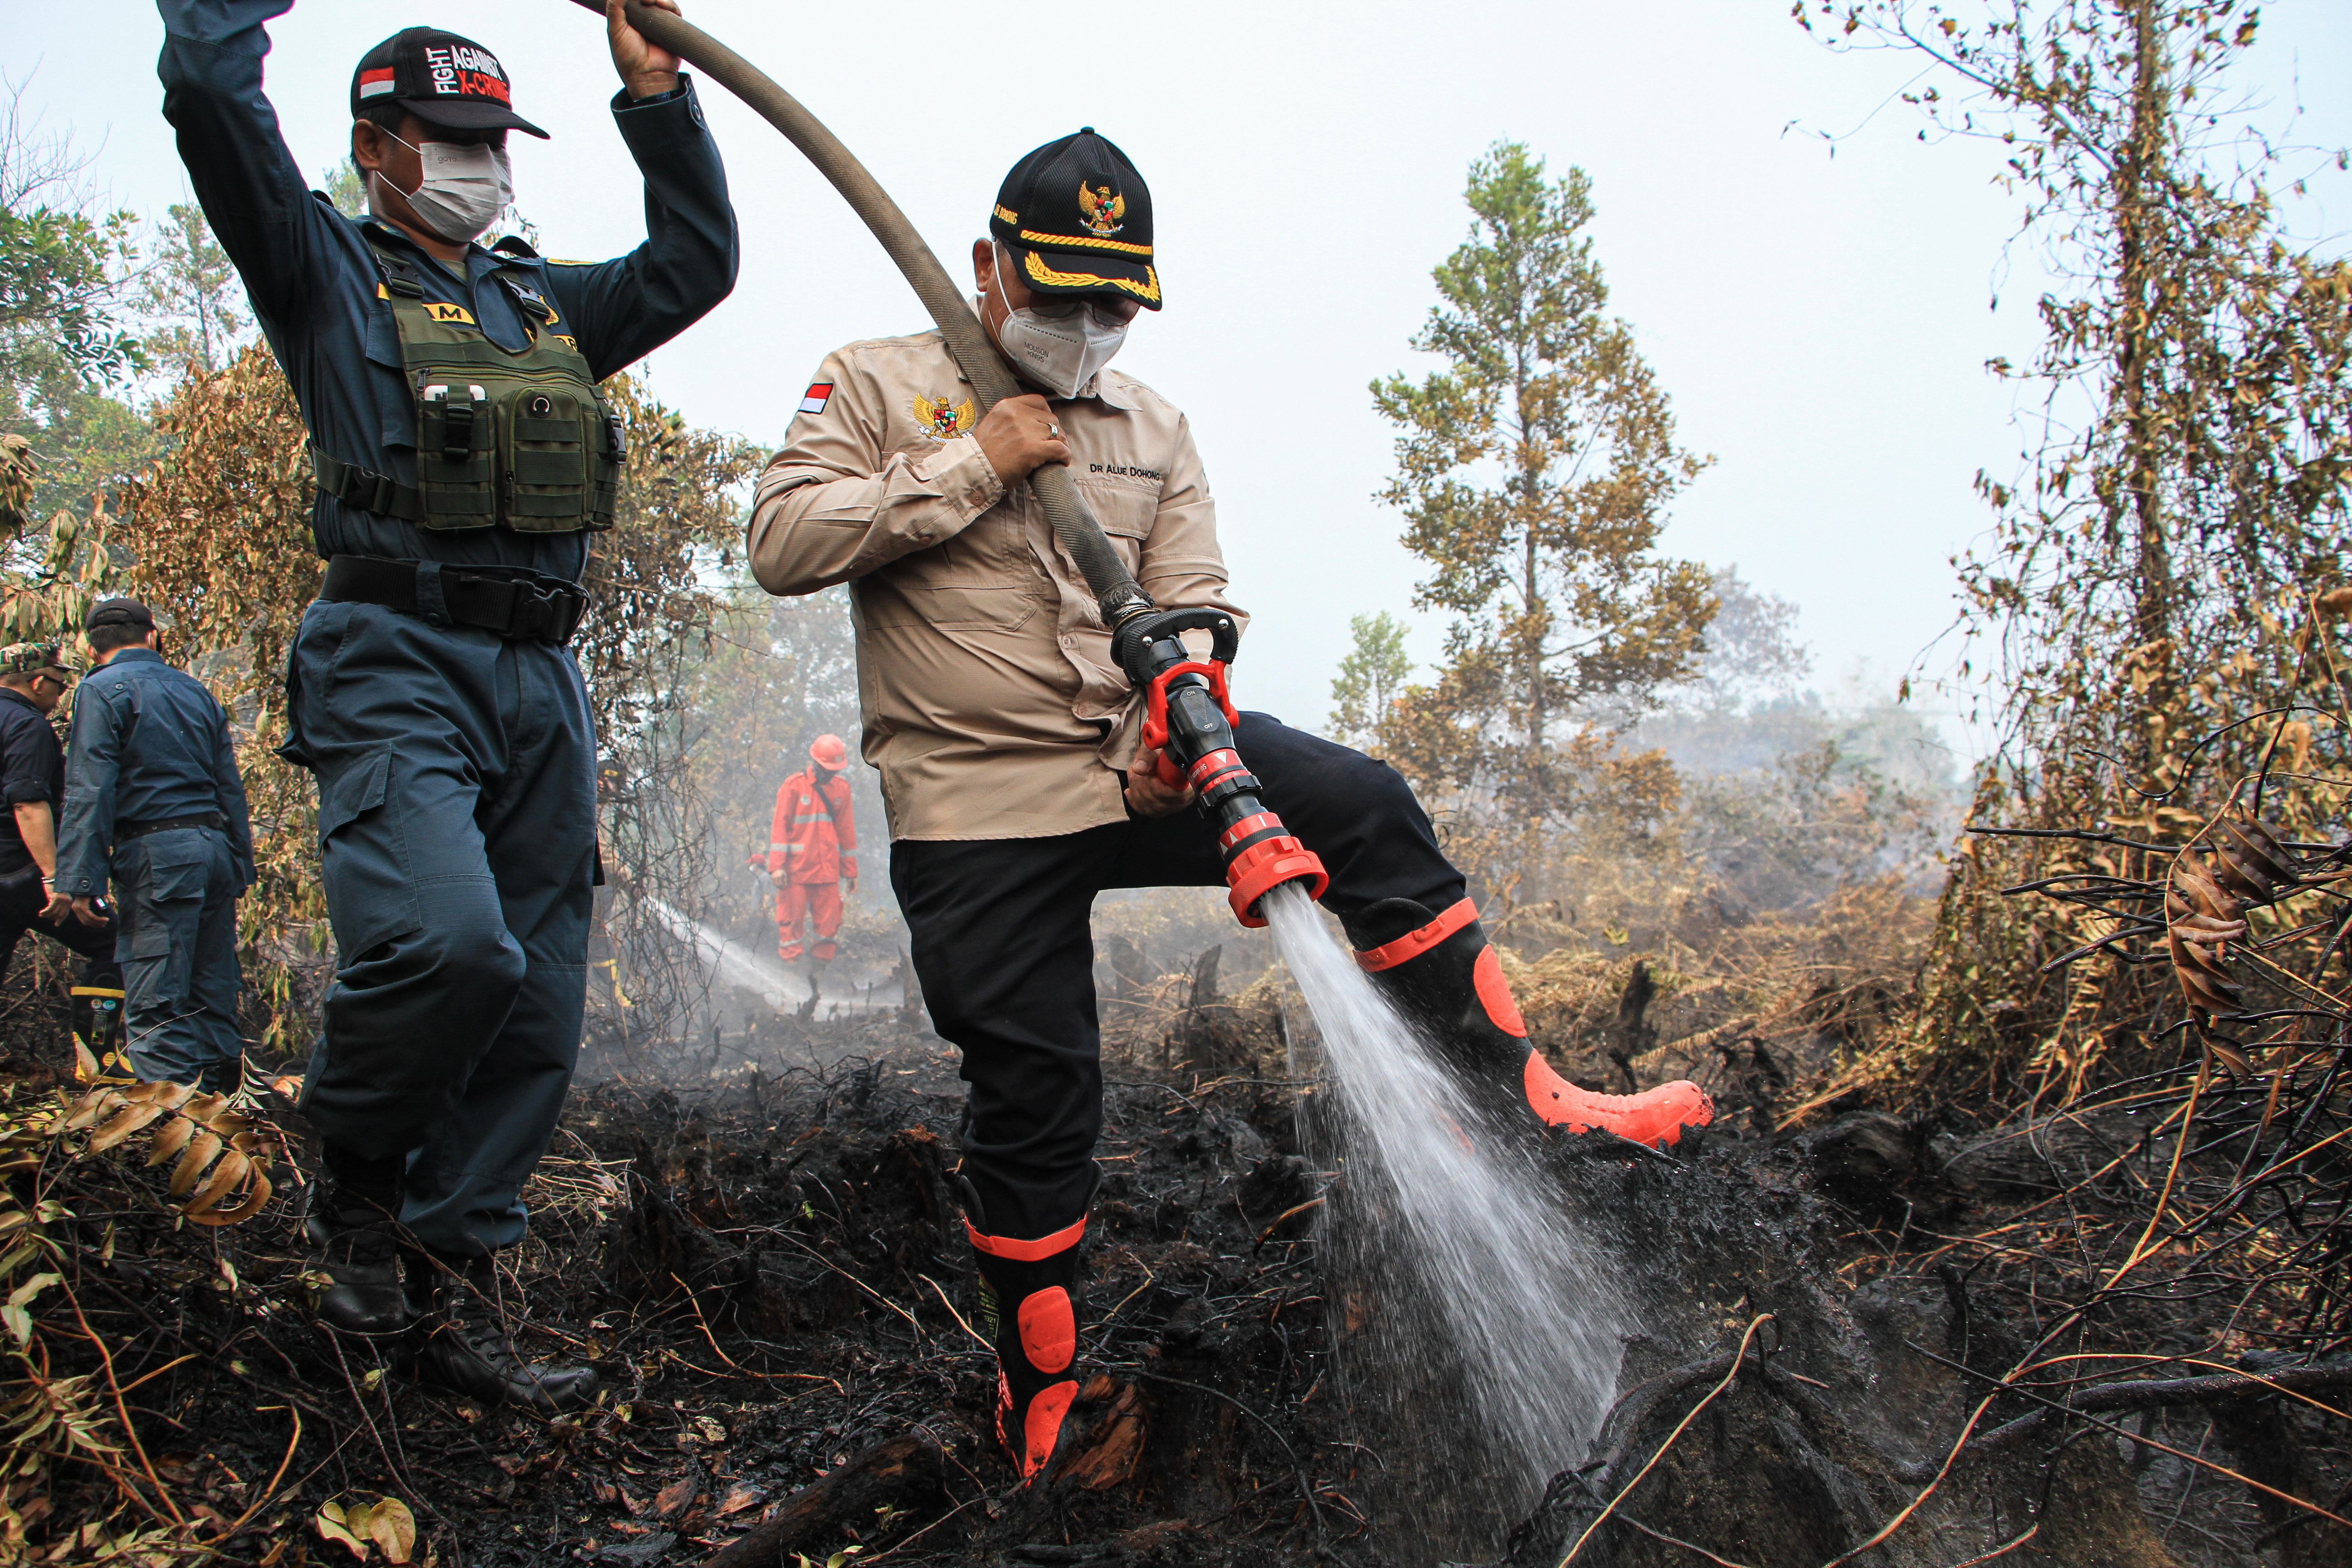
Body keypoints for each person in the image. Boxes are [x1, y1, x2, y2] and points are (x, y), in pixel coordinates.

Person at [746, 129, 1715, 1480]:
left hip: (1135, 756)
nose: (1087, 332)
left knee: (1364, 807)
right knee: (1037, 1089)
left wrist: (1180, 721)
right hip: (977, 801)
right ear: (987, 267)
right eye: (1060, 297)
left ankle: (1522, 1099)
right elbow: (782, 541)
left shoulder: (1152, 425)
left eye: (1113, 305)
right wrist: (975, 462)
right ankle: (1045, 1391)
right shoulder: (873, 383)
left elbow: (1195, 596)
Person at [157, 0, 739, 1408]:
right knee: (451, 948)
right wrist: (222, 19)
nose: (485, 163)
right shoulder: (322, 272)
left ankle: (444, 1295)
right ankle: (352, 1174)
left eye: (498, 141)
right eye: (456, 138)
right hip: (394, 657)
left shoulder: (545, 304)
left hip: (544, 682)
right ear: (378, 145)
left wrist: (659, 101)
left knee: (536, 1009)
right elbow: (209, 103)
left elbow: (695, 263)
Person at [49, 601, 253, 1096]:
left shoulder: (100, 690)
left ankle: (178, 1134)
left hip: (159, 855)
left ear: (90, 646)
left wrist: (80, 881)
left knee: (156, 1002)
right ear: (154, 636)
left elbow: (90, 788)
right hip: (214, 849)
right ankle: (232, 1126)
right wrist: (240, 864)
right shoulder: (195, 690)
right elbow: (229, 785)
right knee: (211, 996)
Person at [0, 644, 126, 1082]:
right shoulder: (26, 725)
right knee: (111, 942)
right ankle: (97, 1061)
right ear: (38, 681)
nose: (60, 693)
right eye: (59, 683)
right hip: (23, 872)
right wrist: (58, 879)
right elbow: (28, 804)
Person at [752, 734, 858, 991]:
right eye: (827, 768)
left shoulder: (841, 789)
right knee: (791, 922)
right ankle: (792, 975)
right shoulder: (793, 787)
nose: (830, 774)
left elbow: (847, 833)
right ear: (816, 762)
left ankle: (819, 976)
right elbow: (780, 829)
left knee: (829, 923)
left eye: (835, 769)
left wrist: (850, 872)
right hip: (796, 872)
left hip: (828, 872)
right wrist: (777, 867)